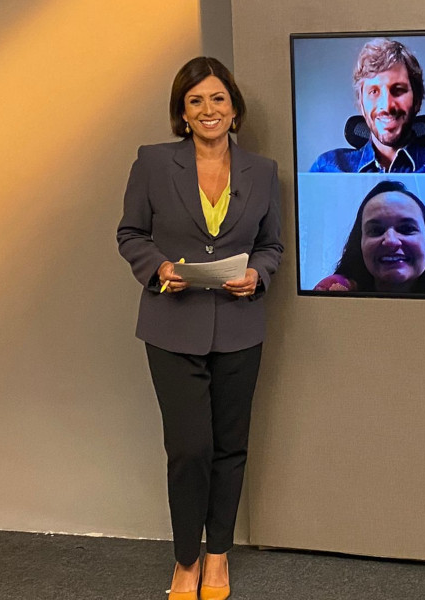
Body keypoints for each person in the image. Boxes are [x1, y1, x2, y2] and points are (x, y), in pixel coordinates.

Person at [117, 56, 282, 600]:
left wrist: (257, 275)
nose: (207, 110)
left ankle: (217, 557)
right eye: (195, 101)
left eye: (217, 99)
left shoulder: (263, 171)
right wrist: (159, 269)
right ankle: (185, 558)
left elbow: (272, 246)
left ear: (234, 109)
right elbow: (131, 234)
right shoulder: (152, 163)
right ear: (181, 113)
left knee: (231, 446)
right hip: (173, 327)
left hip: (239, 327)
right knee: (189, 448)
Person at [310, 38, 425, 173]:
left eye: (399, 90)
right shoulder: (327, 169)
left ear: (417, 100)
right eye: (374, 91)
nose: (387, 106)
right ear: (361, 103)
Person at [314, 180, 425, 293]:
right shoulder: (333, 291)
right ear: (360, 245)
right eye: (376, 230)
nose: (391, 241)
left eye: (407, 229)